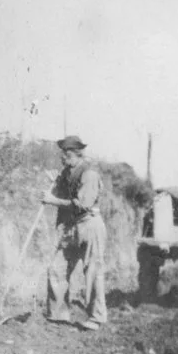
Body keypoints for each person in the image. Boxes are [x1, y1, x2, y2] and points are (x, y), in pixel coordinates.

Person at [42, 135, 107, 330]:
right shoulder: (67, 173)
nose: (62, 157)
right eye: (62, 153)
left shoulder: (89, 174)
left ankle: (96, 317)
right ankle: (58, 313)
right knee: (57, 266)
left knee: (93, 271)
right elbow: (64, 195)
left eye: (65, 153)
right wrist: (56, 182)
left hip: (90, 224)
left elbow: (83, 205)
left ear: (74, 153)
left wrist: (52, 200)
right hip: (73, 226)